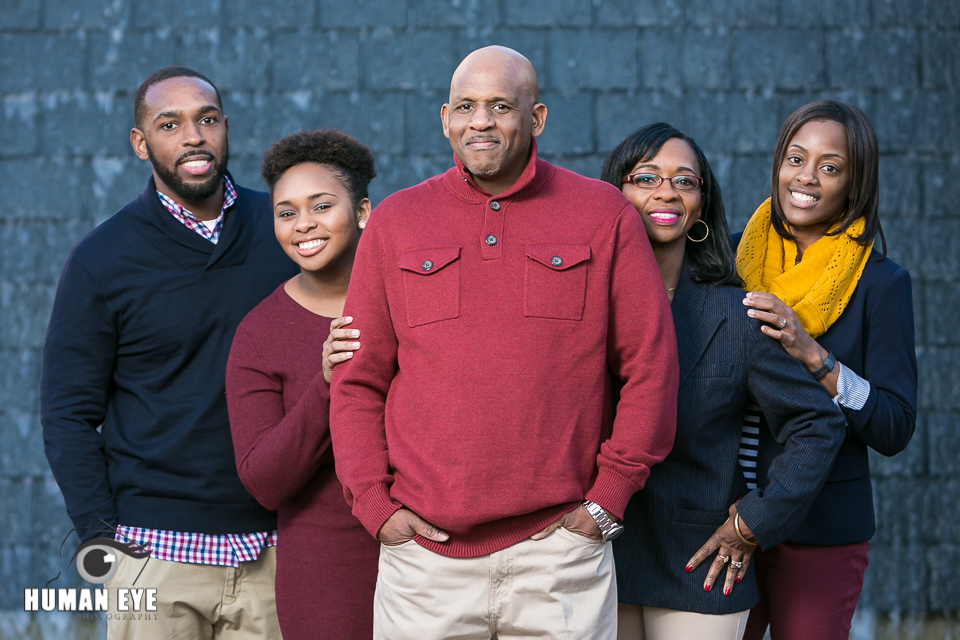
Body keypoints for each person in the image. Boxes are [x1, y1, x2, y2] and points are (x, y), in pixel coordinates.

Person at [328, 45, 679, 640]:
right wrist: (374, 505)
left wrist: (606, 501)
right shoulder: (395, 220)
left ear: (536, 118)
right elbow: (358, 378)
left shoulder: (603, 214)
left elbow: (651, 366)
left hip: (559, 558)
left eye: (499, 106)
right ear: (445, 119)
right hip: (425, 565)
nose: (481, 121)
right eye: (466, 106)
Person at [40, 66, 296, 639]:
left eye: (206, 119)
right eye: (169, 124)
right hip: (155, 556)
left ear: (226, 128)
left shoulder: (285, 230)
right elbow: (68, 414)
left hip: (276, 551)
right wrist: (105, 541)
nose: (193, 137)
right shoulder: (101, 261)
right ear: (140, 143)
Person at [599, 123, 847, 640]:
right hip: (599, 551)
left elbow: (817, 425)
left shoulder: (739, 318)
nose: (666, 191)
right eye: (645, 177)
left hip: (701, 563)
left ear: (700, 206)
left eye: (684, 181)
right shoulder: (580, 308)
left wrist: (752, 522)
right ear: (614, 193)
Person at [736, 100, 918, 640]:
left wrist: (814, 355)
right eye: (796, 158)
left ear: (854, 183)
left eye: (830, 166)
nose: (806, 178)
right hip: (725, 516)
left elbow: (894, 425)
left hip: (820, 530)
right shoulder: (732, 262)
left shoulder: (881, 284)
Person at [224, 130, 380, 639]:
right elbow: (264, 482)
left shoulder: (408, 303)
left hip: (434, 557)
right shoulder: (260, 333)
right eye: (286, 212)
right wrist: (328, 381)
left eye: (321, 206)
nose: (303, 225)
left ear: (362, 213)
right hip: (324, 572)